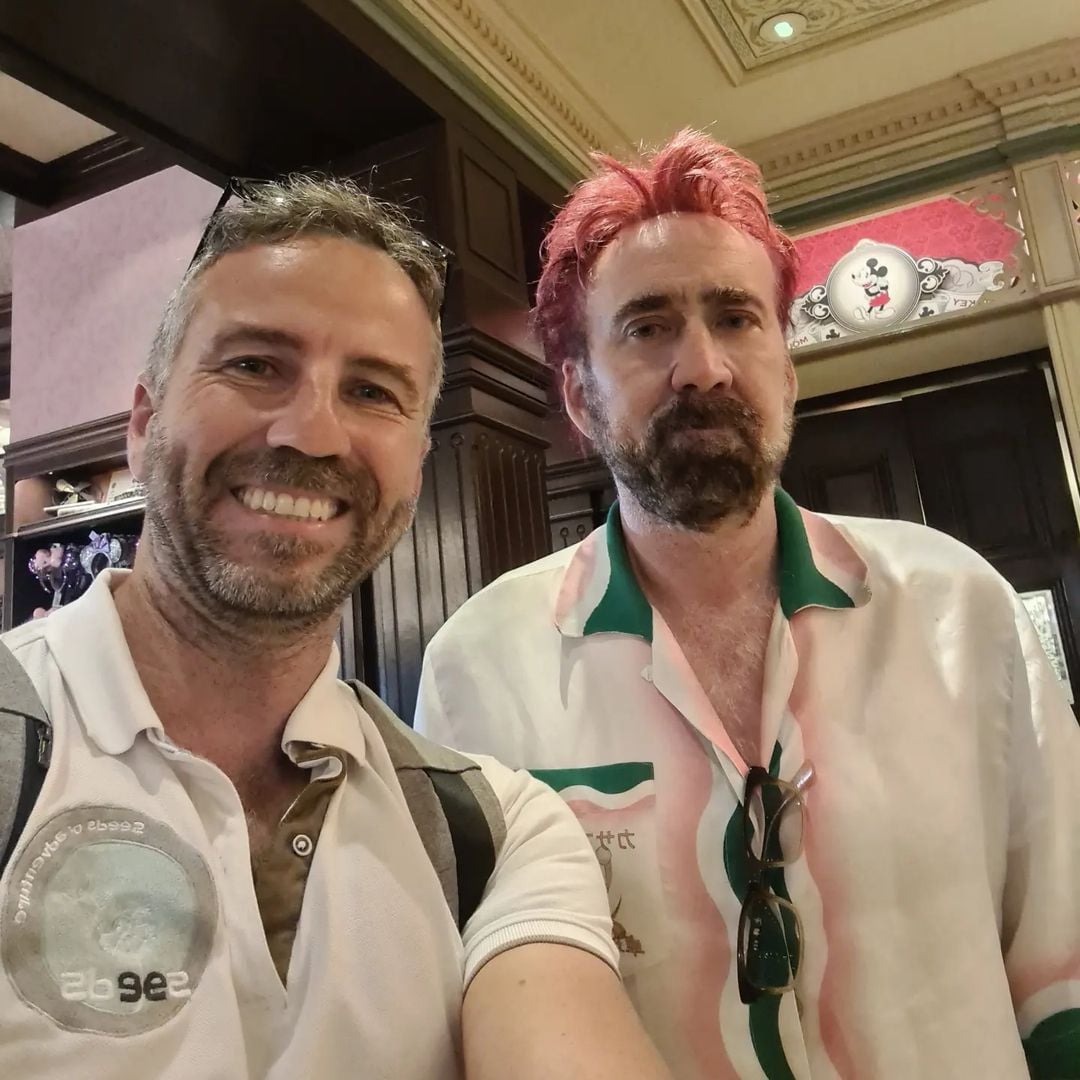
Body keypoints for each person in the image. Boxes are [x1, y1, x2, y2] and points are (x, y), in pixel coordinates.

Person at [414, 131, 1080, 1079]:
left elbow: (1063, 970)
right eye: (647, 326)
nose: (704, 368)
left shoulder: (958, 609)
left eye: (735, 318)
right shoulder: (482, 666)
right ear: (577, 392)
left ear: (787, 364)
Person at [0, 176, 673, 1080]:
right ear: (144, 422)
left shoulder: (495, 831)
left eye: (371, 391)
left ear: (415, 465)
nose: (312, 433)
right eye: (254, 365)